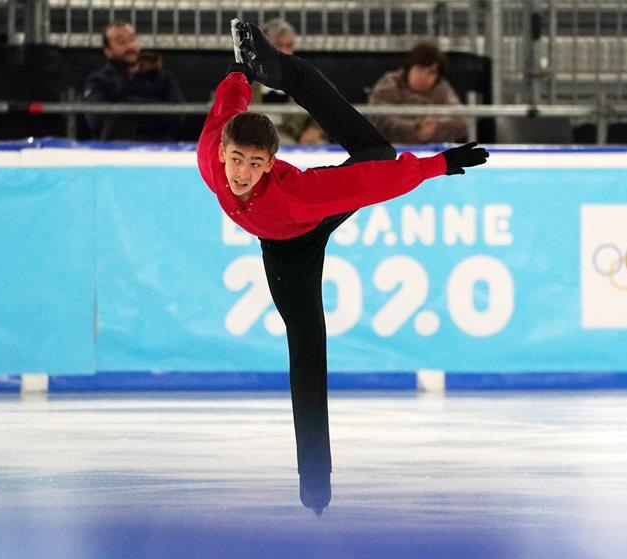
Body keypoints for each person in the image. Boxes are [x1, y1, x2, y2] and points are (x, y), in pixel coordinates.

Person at [197, 20, 488, 515]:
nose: (241, 173)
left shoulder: (297, 193)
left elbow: (372, 183)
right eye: (236, 160)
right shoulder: (209, 158)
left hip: (306, 222)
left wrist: (439, 164)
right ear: (222, 153)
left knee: (380, 159)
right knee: (306, 348)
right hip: (282, 251)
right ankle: (315, 484)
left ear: (270, 163)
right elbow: (227, 109)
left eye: (254, 163)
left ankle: (285, 70)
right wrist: (239, 74)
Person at [83, 21, 185, 141]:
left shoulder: (163, 77)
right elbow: (96, 119)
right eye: (121, 42)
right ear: (108, 51)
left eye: (132, 39)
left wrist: (124, 106)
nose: (129, 46)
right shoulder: (98, 80)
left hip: (159, 150)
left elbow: (177, 115)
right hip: (116, 152)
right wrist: (152, 108)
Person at [368, 41, 469, 144]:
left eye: (431, 72)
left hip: (434, 152)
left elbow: (461, 120)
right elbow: (378, 118)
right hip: (392, 151)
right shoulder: (390, 83)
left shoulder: (441, 88)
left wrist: (436, 127)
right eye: (420, 69)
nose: (424, 77)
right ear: (409, 67)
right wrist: (414, 130)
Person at [249, 19, 325, 145]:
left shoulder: (306, 75)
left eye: (289, 46)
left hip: (295, 140)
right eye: (277, 45)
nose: (284, 51)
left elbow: (328, 103)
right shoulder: (245, 75)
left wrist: (315, 129)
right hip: (253, 141)